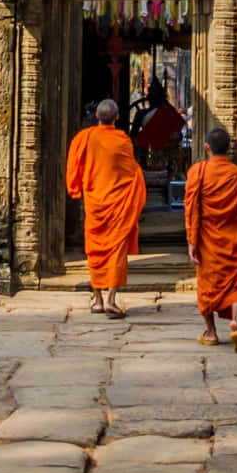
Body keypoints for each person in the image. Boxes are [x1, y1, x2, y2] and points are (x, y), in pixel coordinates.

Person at [185, 128, 237, 352]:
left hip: (208, 240)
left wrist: (192, 241)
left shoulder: (198, 171)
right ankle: (236, 322)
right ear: (230, 149)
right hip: (235, 239)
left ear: (206, 147)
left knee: (207, 286)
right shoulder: (236, 174)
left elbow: (192, 209)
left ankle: (211, 332)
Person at [66, 98, 145, 317]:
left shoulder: (84, 138)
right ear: (117, 118)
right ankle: (110, 298)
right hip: (118, 204)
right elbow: (133, 173)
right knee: (116, 251)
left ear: (97, 117)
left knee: (95, 251)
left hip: (95, 204)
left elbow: (73, 168)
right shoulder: (123, 141)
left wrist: (76, 189)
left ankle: (98, 300)